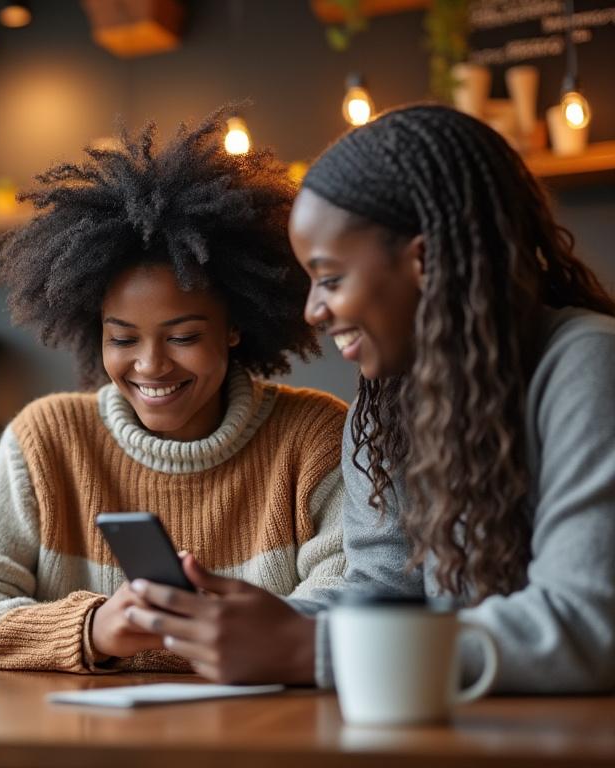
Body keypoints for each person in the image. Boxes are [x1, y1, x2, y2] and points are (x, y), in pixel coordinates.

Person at [120, 104, 615, 692]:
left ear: (424, 260)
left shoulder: (589, 363)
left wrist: (304, 648)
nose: (313, 311)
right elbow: (382, 594)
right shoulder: (383, 411)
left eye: (330, 279)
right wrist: (264, 621)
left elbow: (585, 628)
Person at [0, 112, 349, 673]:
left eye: (183, 336)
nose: (151, 365)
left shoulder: (315, 438)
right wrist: (92, 628)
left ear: (234, 326)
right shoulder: (47, 439)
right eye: (122, 338)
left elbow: (355, 613)